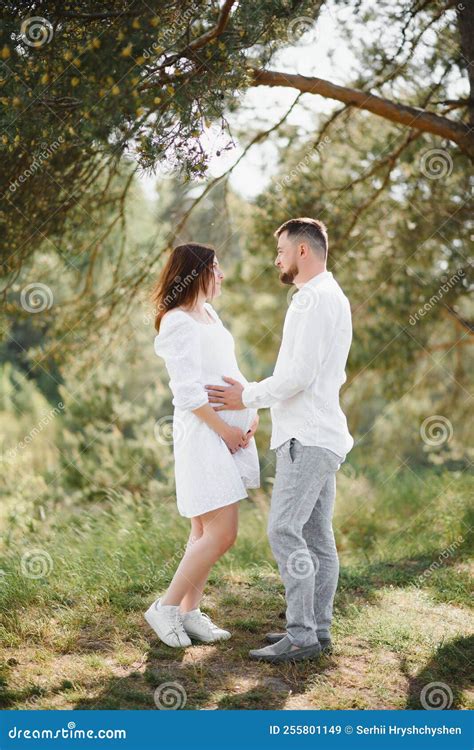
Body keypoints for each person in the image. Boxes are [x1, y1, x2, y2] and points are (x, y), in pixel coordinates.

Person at [205, 218, 354, 664]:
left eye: (283, 250)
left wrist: (245, 395)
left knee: (283, 529)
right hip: (323, 435)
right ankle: (316, 629)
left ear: (303, 251)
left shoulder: (310, 299)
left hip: (306, 438)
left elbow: (297, 376)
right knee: (317, 536)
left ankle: (302, 635)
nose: (278, 258)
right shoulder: (334, 296)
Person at [144, 243, 260, 648]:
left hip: (230, 435)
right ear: (197, 273)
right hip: (204, 436)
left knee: (202, 531)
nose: (222, 275)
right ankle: (165, 607)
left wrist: (250, 407)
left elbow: (229, 370)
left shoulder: (209, 313)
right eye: (215, 267)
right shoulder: (176, 322)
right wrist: (226, 431)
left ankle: (190, 613)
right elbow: (188, 392)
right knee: (223, 533)